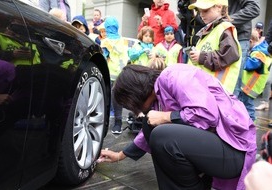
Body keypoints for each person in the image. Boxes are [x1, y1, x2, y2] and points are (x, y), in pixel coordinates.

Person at [98, 63, 256, 190]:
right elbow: (145, 136)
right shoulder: (159, 95)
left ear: (136, 93)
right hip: (218, 148)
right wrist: (120, 155)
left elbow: (207, 114)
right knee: (151, 126)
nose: (136, 111)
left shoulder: (173, 76)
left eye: (132, 105)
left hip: (234, 152)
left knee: (161, 135)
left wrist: (165, 117)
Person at [187, 0, 241, 94]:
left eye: (205, 10)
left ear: (219, 7)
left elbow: (229, 55)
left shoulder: (224, 28)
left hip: (217, 91)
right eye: (199, 11)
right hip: (208, 90)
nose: (201, 15)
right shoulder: (210, 30)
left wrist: (201, 57)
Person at [100, 16, 129, 134]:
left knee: (109, 97)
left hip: (111, 73)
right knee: (116, 98)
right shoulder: (122, 40)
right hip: (118, 73)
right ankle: (116, 123)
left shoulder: (107, 41)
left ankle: (115, 122)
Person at [238, 29, 272, 121]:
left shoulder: (258, 52)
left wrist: (244, 61)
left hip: (250, 85)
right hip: (252, 85)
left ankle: (252, 122)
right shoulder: (264, 51)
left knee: (248, 105)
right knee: (245, 103)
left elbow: (253, 65)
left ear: (250, 41)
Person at [228, 0, 260, 97]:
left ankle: (232, 111)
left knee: (233, 83)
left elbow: (254, 8)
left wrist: (229, 20)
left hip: (238, 37)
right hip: (221, 34)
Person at [256, 19, 272, 111]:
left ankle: (265, 102)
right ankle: (265, 102)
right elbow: (269, 35)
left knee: (268, 80)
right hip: (269, 52)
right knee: (267, 80)